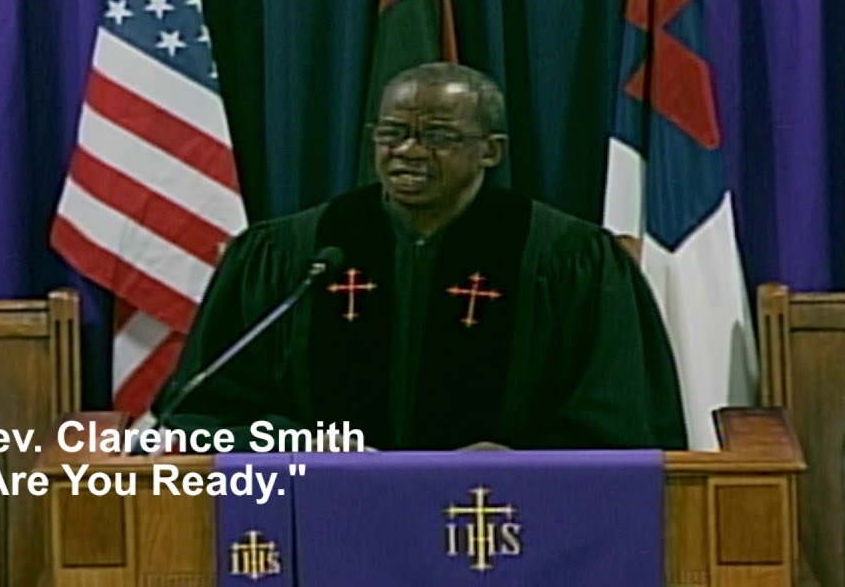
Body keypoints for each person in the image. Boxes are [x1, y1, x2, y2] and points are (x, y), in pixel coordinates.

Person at [151, 62, 688, 451]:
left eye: (437, 136)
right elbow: (204, 414)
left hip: (502, 523)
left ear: (491, 150)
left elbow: (619, 416)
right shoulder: (295, 253)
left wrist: (525, 462)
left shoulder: (568, 258)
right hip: (325, 518)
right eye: (392, 134)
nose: (407, 151)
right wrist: (306, 444)